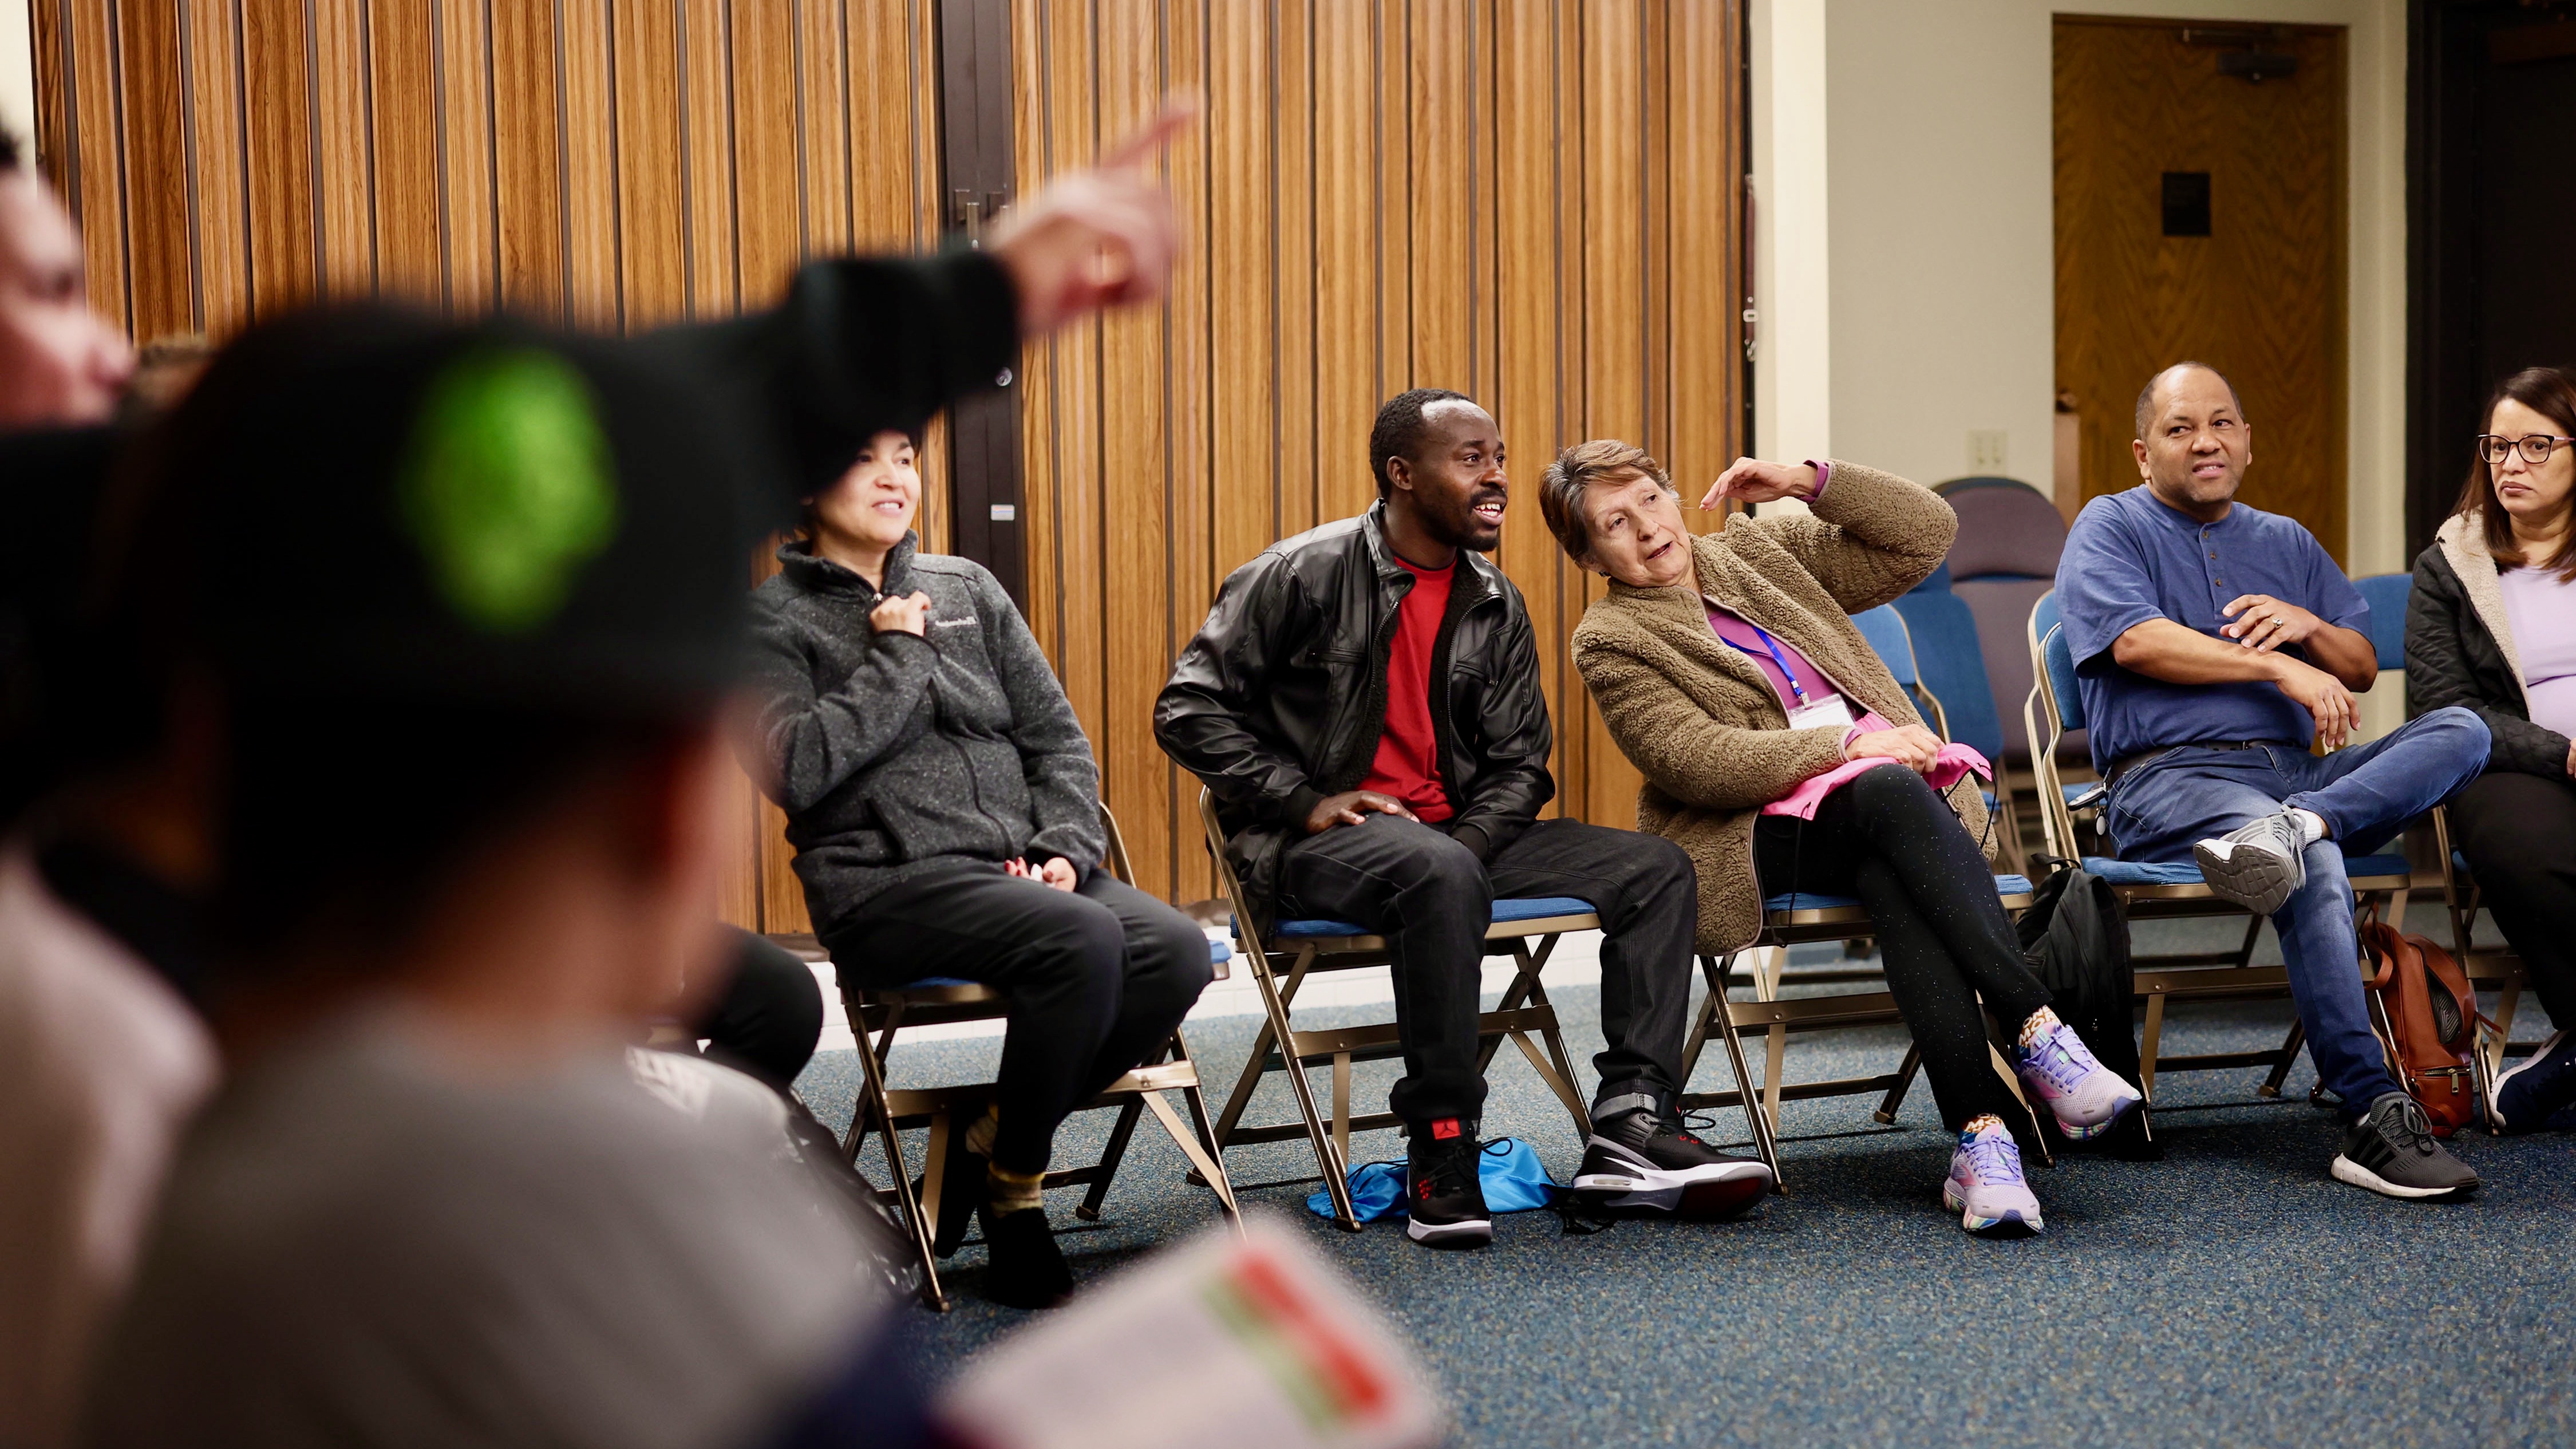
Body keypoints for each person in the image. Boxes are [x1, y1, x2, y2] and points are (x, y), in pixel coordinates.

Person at [1156, 388, 1774, 1251]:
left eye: (1499, 456)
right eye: (1471, 459)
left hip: (1456, 844)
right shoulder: (1300, 572)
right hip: (1315, 845)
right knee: (1437, 872)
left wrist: (1470, 844)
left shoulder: (1493, 598)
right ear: (1402, 475)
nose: (1497, 479)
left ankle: (1633, 1124)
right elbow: (1187, 708)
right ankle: (1442, 1144)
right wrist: (1303, 799)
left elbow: (1524, 766)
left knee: (1655, 868)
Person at [1553, 440, 2142, 1237]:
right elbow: (1694, 761)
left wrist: (1808, 482)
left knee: (1892, 865)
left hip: (1883, 814)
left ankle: (1984, 1141)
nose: (1647, 528)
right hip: (1751, 830)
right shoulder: (1611, 637)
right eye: (1614, 524)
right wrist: (1843, 749)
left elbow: (1926, 535)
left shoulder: (1760, 548)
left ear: (1673, 492)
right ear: (1589, 555)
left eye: (1651, 500)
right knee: (1888, 792)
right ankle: (2037, 1028)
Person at [744, 425, 1212, 1309]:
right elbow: (794, 768)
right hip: (886, 887)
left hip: (1023, 872)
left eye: (906, 459)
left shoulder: (967, 587)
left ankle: (990, 1139)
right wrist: (898, 654)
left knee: (1176, 951)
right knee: (1079, 945)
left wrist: (1064, 851)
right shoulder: (766, 624)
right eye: (863, 458)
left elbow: (1056, 742)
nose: (894, 479)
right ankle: (1016, 1199)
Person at [2056, 361, 2491, 1201]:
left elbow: (2362, 667)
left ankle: (2305, 824)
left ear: (2248, 441)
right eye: (2181, 429)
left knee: (2463, 731)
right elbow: (2138, 643)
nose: (2206, 441)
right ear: (2145, 453)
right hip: (2172, 779)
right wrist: (2278, 669)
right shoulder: (2109, 525)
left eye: (2222, 423)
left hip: (2301, 777)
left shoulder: (2286, 540)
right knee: (2310, 858)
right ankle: (2372, 1109)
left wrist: (2309, 627)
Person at [2408, 365, 2576, 1132]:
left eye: (2536, 445)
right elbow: (2444, 708)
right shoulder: (2451, 565)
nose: (2511, 463)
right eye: (2499, 447)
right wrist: (2559, 753)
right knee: (2522, 845)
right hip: (2508, 765)